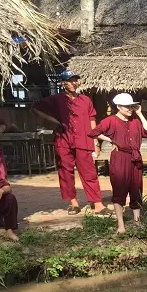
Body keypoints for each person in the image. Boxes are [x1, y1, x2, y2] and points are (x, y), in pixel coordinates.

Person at [30, 69, 107, 215]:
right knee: (66, 172)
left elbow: (92, 120)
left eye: (76, 80)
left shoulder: (86, 100)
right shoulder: (56, 99)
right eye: (71, 80)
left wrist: (95, 142)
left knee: (89, 172)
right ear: (63, 82)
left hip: (84, 141)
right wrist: (52, 121)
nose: (74, 83)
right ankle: (73, 202)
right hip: (63, 140)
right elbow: (35, 108)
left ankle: (97, 203)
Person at [89, 93, 147, 234]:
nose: (130, 109)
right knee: (119, 190)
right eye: (126, 106)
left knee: (136, 189)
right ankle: (121, 225)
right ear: (118, 107)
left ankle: (137, 222)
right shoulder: (110, 120)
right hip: (120, 158)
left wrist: (140, 114)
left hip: (135, 158)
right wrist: (110, 140)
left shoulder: (135, 120)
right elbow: (94, 132)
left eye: (131, 106)